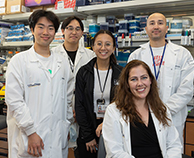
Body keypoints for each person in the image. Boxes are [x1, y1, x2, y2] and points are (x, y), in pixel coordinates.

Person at [5, 10, 74, 158]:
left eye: (50, 28)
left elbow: (68, 98)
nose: (45, 32)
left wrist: (66, 125)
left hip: (57, 136)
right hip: (28, 136)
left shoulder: (62, 62)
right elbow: (14, 101)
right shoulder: (19, 61)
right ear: (32, 29)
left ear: (55, 32)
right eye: (40, 27)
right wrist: (30, 131)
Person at [128, 12, 194, 143]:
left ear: (167, 27)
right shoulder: (136, 55)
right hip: (143, 116)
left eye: (160, 23)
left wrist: (164, 110)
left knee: (172, 151)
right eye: (152, 23)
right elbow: (130, 88)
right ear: (146, 29)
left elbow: (186, 90)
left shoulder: (182, 54)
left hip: (172, 117)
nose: (156, 26)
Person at [102, 60, 182, 158]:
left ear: (150, 80)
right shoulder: (114, 111)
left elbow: (173, 145)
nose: (140, 83)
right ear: (127, 83)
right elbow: (115, 152)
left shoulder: (161, 109)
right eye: (134, 79)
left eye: (144, 78)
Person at [51, 15, 95, 157]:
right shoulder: (53, 55)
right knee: (62, 146)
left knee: (82, 148)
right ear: (62, 31)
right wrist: (69, 110)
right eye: (70, 28)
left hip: (84, 109)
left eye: (78, 29)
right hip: (60, 108)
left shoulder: (90, 55)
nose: (74, 32)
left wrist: (79, 110)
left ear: (82, 33)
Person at [75, 30, 123, 158]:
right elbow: (79, 105)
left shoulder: (121, 73)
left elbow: (124, 103)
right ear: (93, 47)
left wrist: (107, 122)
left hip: (114, 127)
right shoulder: (84, 72)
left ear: (113, 48)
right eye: (99, 44)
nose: (103, 48)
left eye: (107, 44)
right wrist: (88, 136)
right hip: (89, 127)